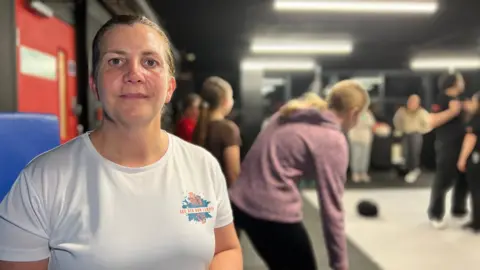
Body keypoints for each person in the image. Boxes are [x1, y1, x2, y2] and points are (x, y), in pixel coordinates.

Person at [0, 15, 242, 270]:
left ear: (170, 88)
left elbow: (226, 248)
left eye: (150, 61)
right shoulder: (42, 180)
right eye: (115, 61)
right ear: (94, 85)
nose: (134, 74)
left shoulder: (203, 165)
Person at [229, 81, 370, 270]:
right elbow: (331, 210)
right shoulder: (333, 140)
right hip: (271, 212)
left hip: (236, 203)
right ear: (353, 113)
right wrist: (340, 265)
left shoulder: (289, 113)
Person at [427, 72, 469, 229]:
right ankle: (435, 213)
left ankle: (459, 209)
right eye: (460, 79)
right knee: (443, 178)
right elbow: (432, 121)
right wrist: (451, 112)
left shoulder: (459, 100)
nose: (463, 82)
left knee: (464, 177)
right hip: (447, 144)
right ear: (453, 83)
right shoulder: (441, 99)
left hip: (463, 144)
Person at [192, 76, 241, 188]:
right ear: (225, 101)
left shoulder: (199, 126)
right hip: (222, 197)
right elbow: (233, 174)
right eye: (232, 97)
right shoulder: (228, 129)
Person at [393, 94, 430, 183]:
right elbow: (396, 121)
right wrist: (400, 129)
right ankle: (406, 170)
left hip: (416, 134)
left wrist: (421, 130)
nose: (411, 103)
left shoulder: (422, 112)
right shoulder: (402, 111)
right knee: (404, 153)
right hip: (405, 133)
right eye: (410, 101)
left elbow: (428, 124)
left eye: (414, 101)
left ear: (418, 103)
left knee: (414, 153)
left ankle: (414, 170)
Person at [457, 93, 480, 233]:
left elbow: (470, 139)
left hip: (476, 158)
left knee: (476, 190)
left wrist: (462, 158)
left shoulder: (476, 120)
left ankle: (477, 222)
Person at [348, 106, 375, 183]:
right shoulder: (352, 114)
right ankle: (355, 173)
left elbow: (371, 123)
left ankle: (363, 173)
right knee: (356, 156)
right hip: (355, 137)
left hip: (366, 138)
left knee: (365, 156)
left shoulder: (368, 114)